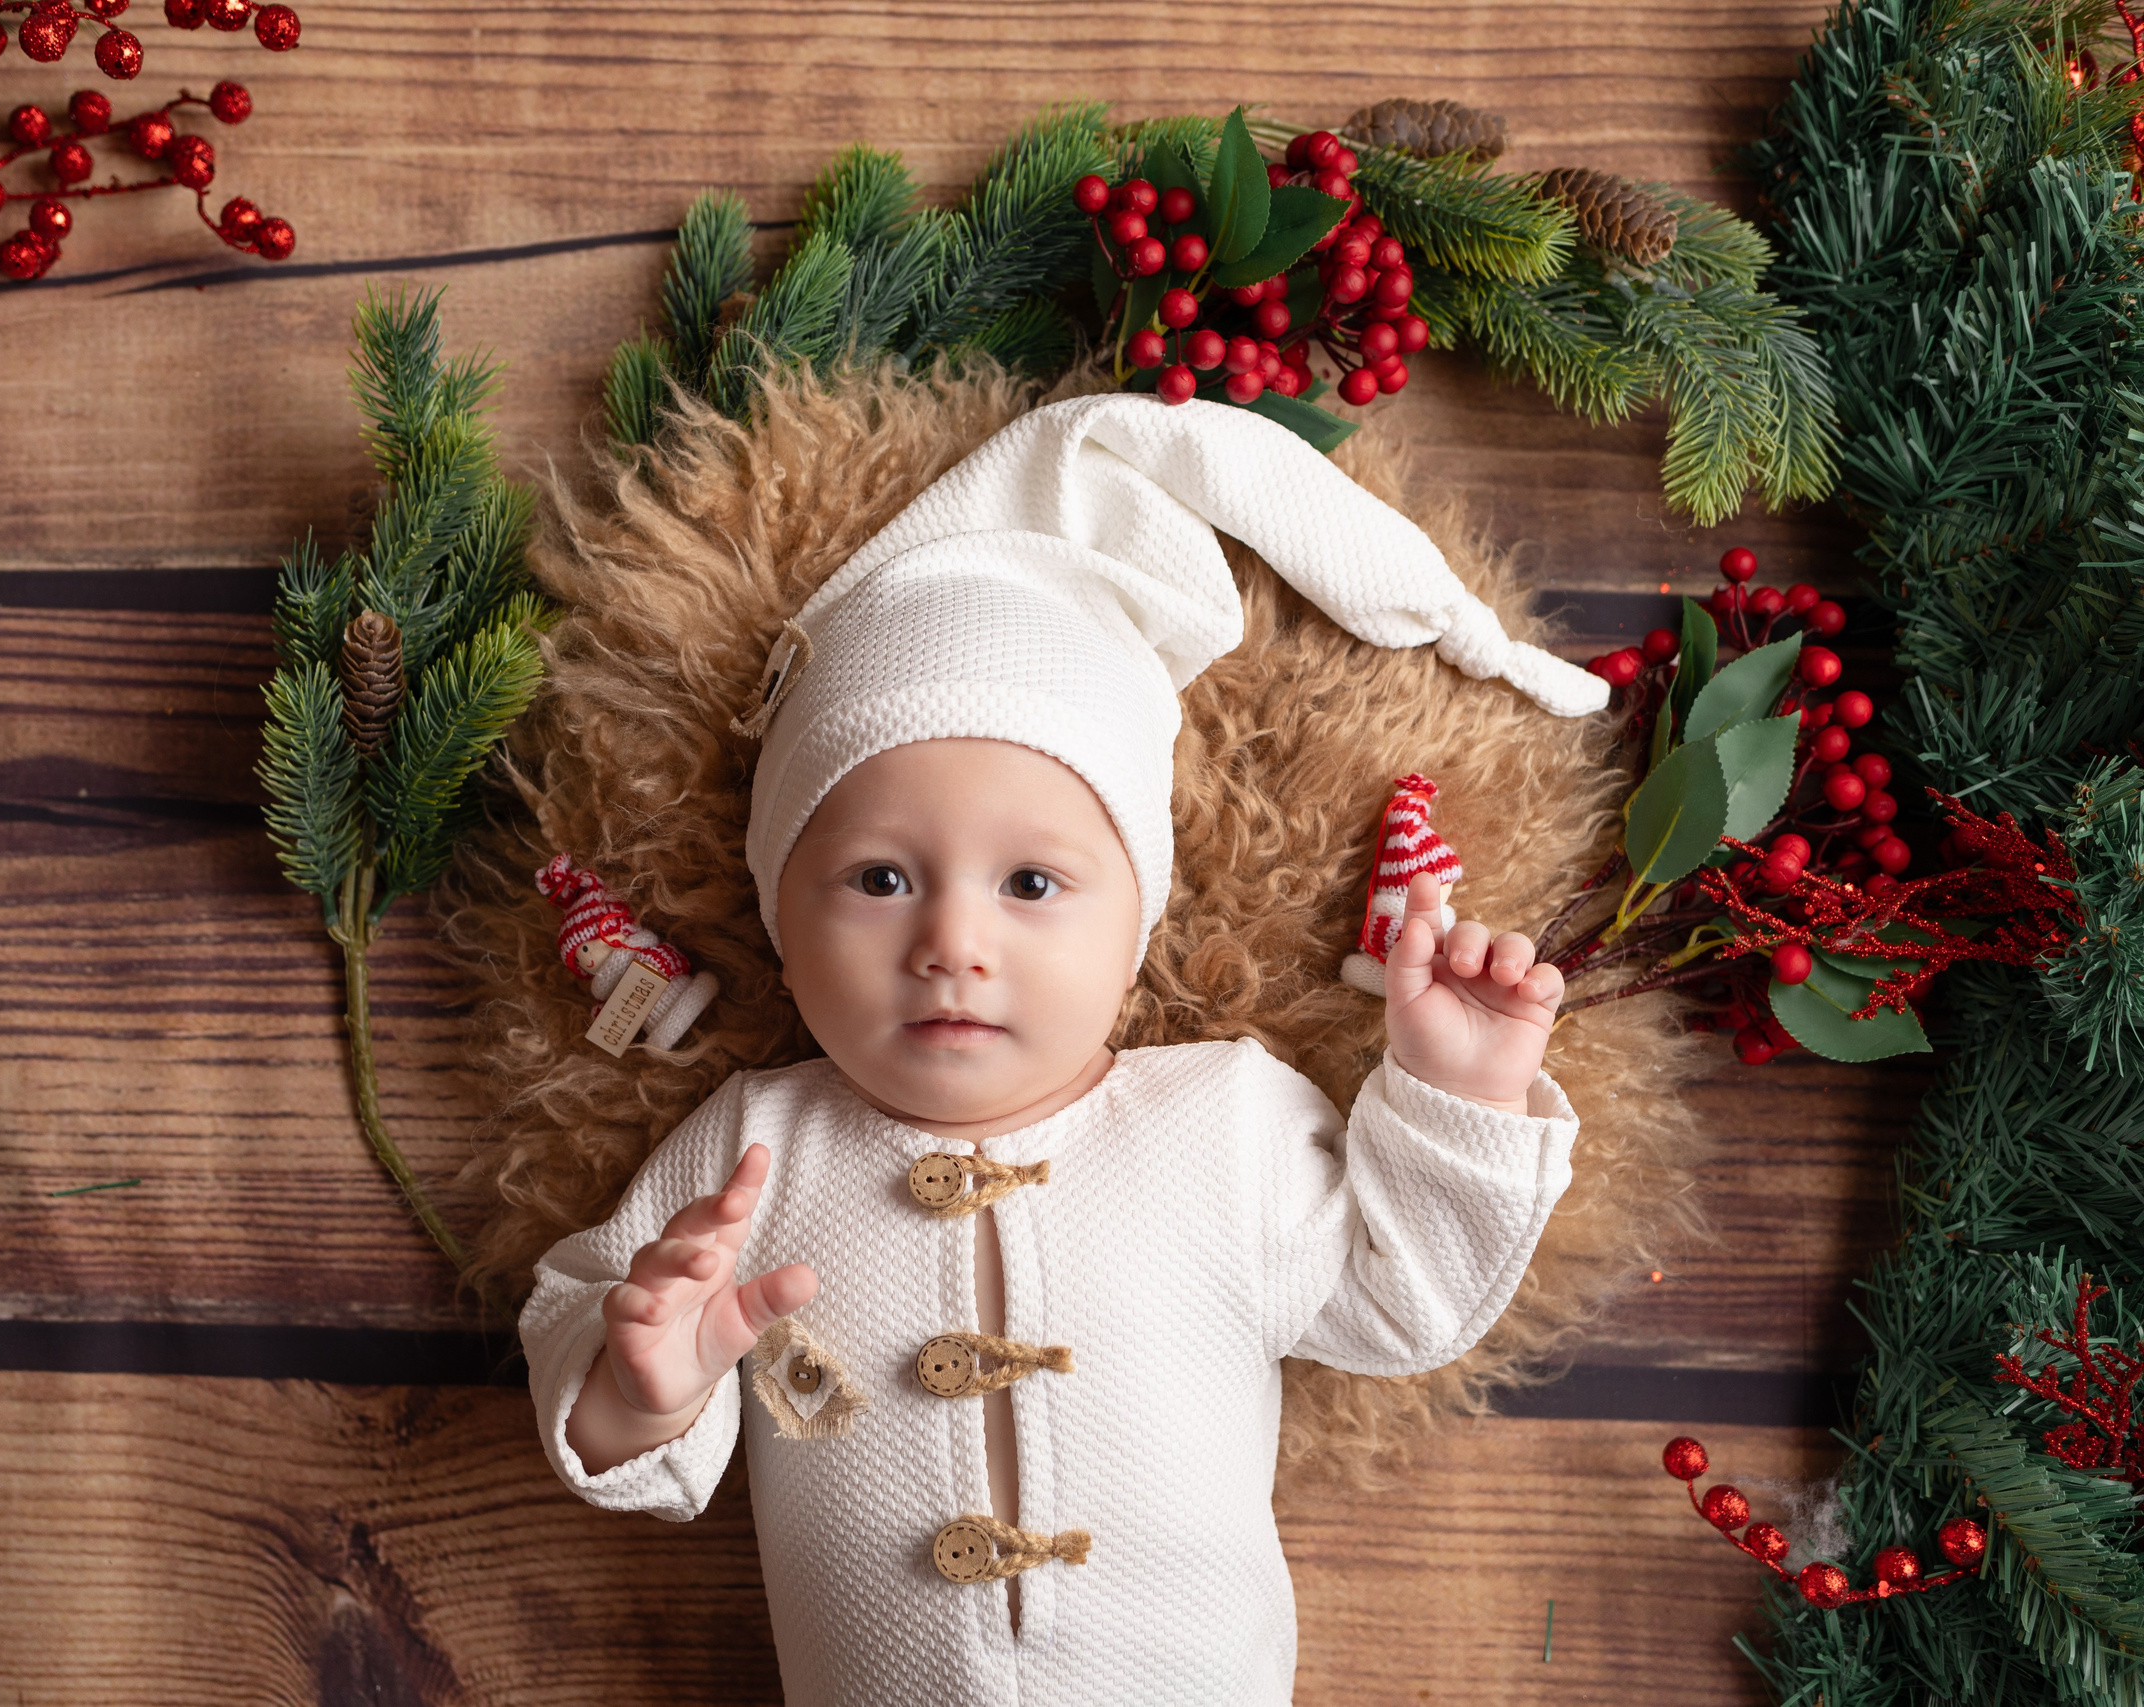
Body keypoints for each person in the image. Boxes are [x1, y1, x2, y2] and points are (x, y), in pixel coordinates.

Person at [517, 391, 1606, 1705]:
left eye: (1032, 885)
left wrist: (1457, 1095)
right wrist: (642, 1388)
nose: (951, 944)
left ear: (1134, 932)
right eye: (877, 880)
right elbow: (586, 1310)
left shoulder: (1225, 1122)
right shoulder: (758, 1147)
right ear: (779, 927)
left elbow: (1402, 1304)